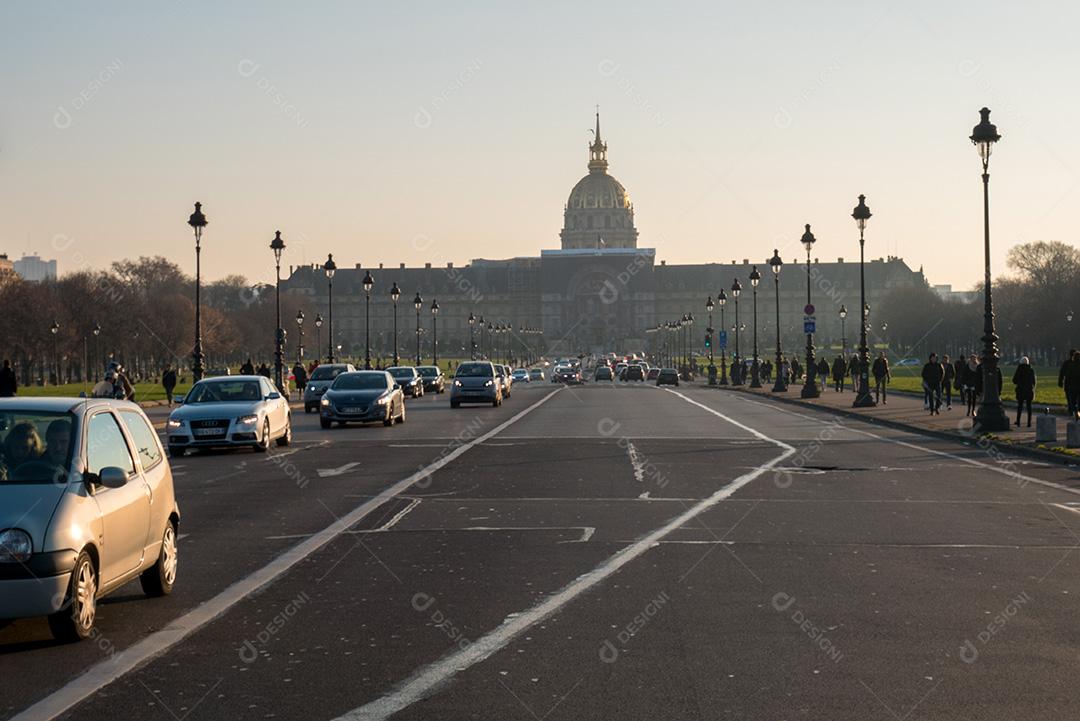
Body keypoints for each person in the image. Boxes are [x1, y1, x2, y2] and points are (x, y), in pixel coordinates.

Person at [1012, 357, 1036, 428]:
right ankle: (1029, 422)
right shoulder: (1031, 370)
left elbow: (1014, 380)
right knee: (1029, 407)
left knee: (1020, 406)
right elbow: (1033, 381)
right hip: (1029, 390)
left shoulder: (1019, 369)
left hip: (1020, 390)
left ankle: (1018, 421)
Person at [1061, 349, 1080, 421]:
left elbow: (1067, 376)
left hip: (1072, 388)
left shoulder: (1071, 365)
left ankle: (1075, 412)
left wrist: (1065, 385)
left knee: (1072, 402)